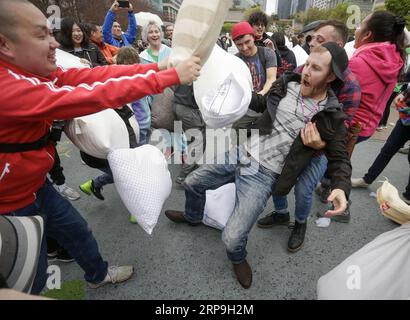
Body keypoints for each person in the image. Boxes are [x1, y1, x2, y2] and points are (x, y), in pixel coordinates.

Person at [0, 0, 201, 294]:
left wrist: (158, 67)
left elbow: (92, 76)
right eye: (41, 35)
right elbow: (93, 95)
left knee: (77, 231)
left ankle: (98, 274)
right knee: (33, 280)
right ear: (5, 44)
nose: (55, 41)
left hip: (35, 186)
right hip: (10, 205)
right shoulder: (8, 89)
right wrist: (169, 77)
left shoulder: (28, 69)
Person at [164, 43, 351, 289]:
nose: (306, 71)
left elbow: (340, 158)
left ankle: (237, 258)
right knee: (191, 182)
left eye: (316, 68)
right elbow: (263, 104)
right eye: (307, 64)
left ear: (331, 76)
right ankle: (193, 216)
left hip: (263, 177)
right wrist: (231, 89)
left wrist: (339, 186)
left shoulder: (331, 114)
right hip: (241, 153)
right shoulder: (287, 84)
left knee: (231, 238)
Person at [258, 21, 361, 248]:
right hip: (291, 143)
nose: (312, 43)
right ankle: (281, 213)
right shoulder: (305, 67)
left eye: (320, 40)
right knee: (278, 176)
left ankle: (301, 223)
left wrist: (320, 145)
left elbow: (340, 140)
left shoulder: (350, 86)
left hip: (317, 151)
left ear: (338, 46)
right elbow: (279, 95)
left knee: (304, 189)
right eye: (312, 39)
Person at [349, 11, 406, 141]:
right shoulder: (395, 60)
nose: (356, 29)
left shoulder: (357, 63)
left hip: (349, 126)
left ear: (367, 34)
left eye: (360, 25)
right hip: (368, 127)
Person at [351, 89, 410, 204]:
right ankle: (367, 179)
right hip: (406, 117)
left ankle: (408, 196)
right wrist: (404, 93)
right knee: (387, 149)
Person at [230, 21, 277, 130]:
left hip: (266, 106)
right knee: (237, 137)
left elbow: (271, 78)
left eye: (247, 42)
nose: (245, 47)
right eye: (239, 44)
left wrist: (261, 95)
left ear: (254, 38)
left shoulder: (268, 53)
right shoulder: (234, 60)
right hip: (245, 110)